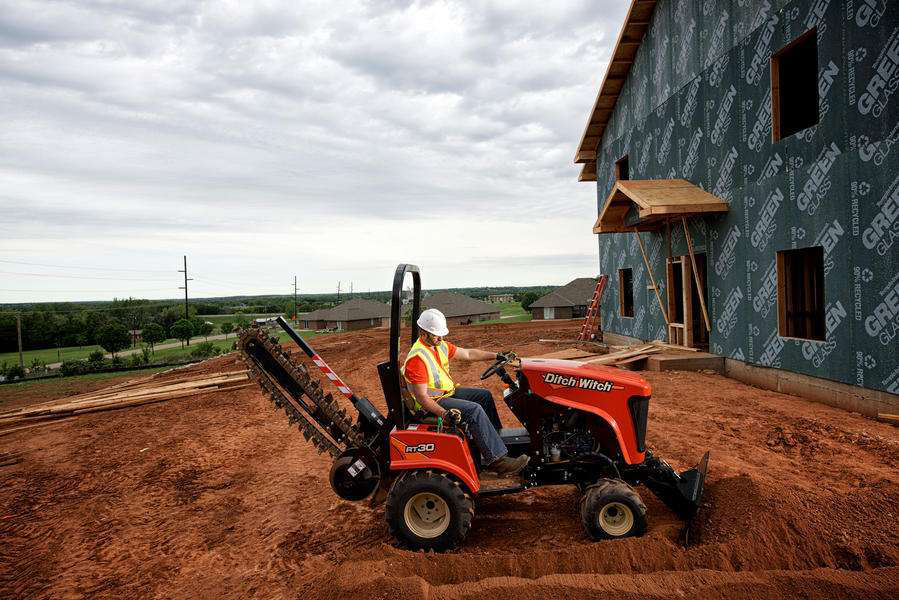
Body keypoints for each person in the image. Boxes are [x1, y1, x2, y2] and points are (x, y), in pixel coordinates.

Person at [402, 308, 530, 476]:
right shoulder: (417, 358)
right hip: (432, 403)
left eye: (441, 334)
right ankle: (497, 461)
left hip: (446, 394)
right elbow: (423, 398)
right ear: (423, 333)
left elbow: (468, 354)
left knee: (484, 396)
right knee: (474, 410)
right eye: (436, 335)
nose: (440, 338)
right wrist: (444, 413)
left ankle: (497, 444)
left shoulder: (439, 346)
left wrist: (497, 356)